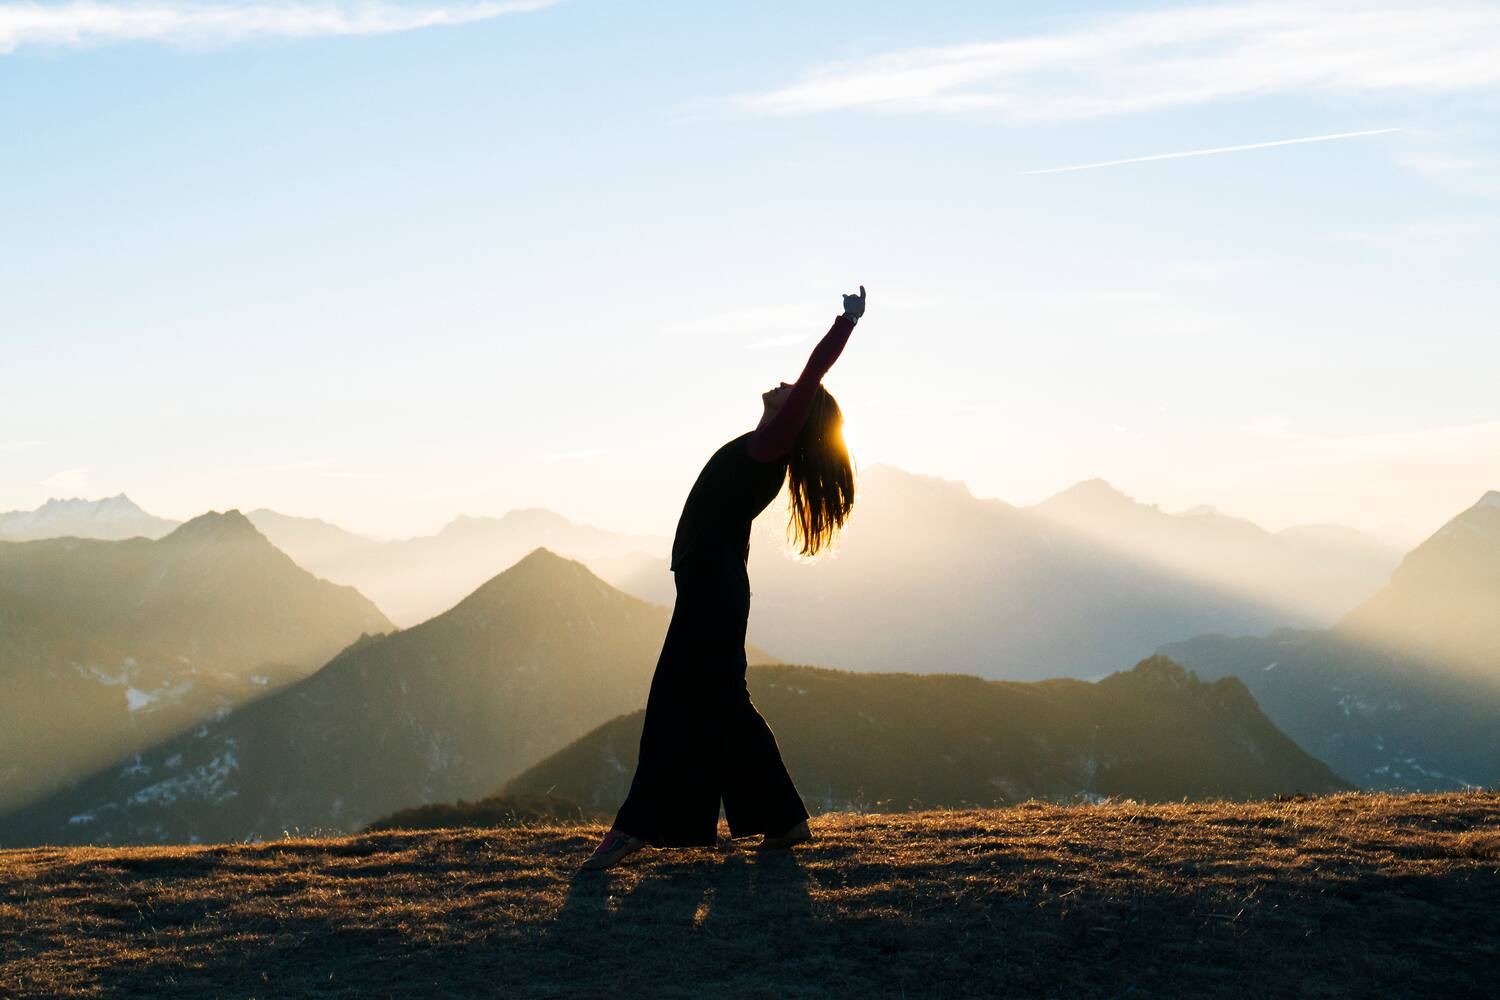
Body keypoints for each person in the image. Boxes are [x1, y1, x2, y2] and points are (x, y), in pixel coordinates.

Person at [580, 285, 867, 871]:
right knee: (725, 702)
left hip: (712, 591)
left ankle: (635, 827)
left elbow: (812, 373)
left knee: (672, 702)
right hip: (713, 589)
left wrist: (845, 323)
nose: (784, 384)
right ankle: (783, 820)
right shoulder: (762, 449)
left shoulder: (769, 449)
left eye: (795, 393)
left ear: (799, 415)